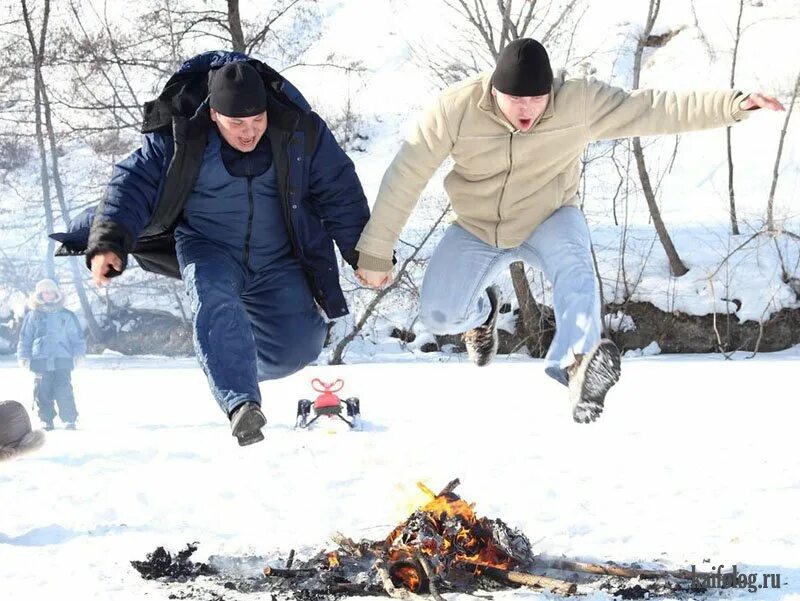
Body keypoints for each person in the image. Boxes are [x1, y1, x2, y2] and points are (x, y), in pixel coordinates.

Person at [353, 38, 785, 424]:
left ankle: (578, 365)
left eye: (537, 100)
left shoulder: (578, 102)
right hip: (477, 227)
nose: (526, 110)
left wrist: (731, 105)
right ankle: (483, 315)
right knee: (438, 315)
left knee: (576, 272)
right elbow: (407, 172)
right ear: (492, 92)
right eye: (514, 101)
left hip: (550, 217)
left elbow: (651, 108)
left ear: (551, 92)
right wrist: (376, 252)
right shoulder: (454, 108)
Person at [75, 52, 370, 446]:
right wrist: (109, 240)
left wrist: (364, 254)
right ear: (214, 115)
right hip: (207, 246)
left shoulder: (300, 132)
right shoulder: (180, 135)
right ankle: (241, 403)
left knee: (298, 348)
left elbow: (339, 189)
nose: (248, 133)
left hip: (278, 256)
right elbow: (132, 182)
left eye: (257, 121)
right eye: (237, 124)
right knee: (213, 300)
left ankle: (231, 362)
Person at [16, 279, 85, 430]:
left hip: (62, 358)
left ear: (56, 293)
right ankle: (46, 419)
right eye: (44, 292)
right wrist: (24, 356)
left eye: (51, 291)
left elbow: (77, 337)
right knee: (43, 390)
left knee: (64, 389)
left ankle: (69, 419)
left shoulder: (66, 315)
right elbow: (25, 337)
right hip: (40, 359)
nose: (48, 295)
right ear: (40, 295)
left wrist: (78, 354)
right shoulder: (33, 315)